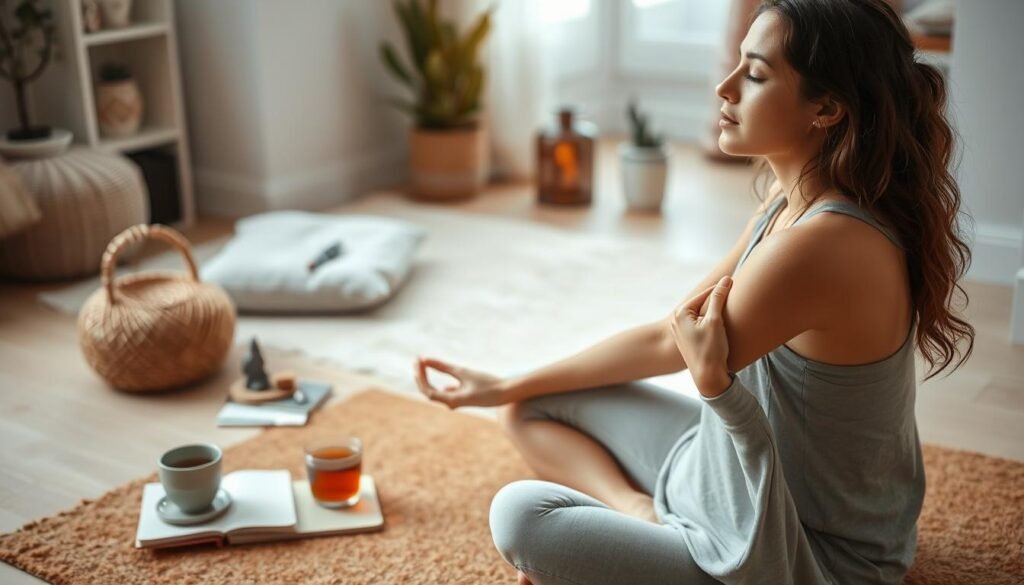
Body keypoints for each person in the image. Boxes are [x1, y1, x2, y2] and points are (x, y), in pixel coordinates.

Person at [413, 1, 975, 583]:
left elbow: (681, 346)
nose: (724, 87)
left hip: (799, 547)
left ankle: (649, 531)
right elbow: (670, 333)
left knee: (521, 515)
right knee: (530, 404)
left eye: (755, 75)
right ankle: (642, 513)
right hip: (731, 471)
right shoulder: (791, 206)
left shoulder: (823, 246)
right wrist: (507, 383)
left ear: (826, 108)